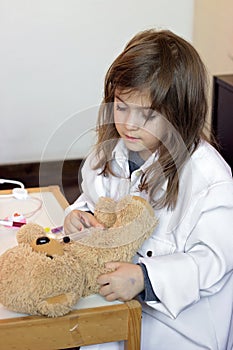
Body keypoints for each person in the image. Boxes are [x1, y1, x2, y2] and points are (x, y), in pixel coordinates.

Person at [64, 29, 233, 350]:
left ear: (180, 115)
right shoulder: (111, 152)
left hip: (180, 327)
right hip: (115, 307)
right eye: (122, 106)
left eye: (148, 115)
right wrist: (80, 216)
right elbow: (90, 198)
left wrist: (146, 278)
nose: (129, 124)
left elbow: (213, 261)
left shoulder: (210, 180)